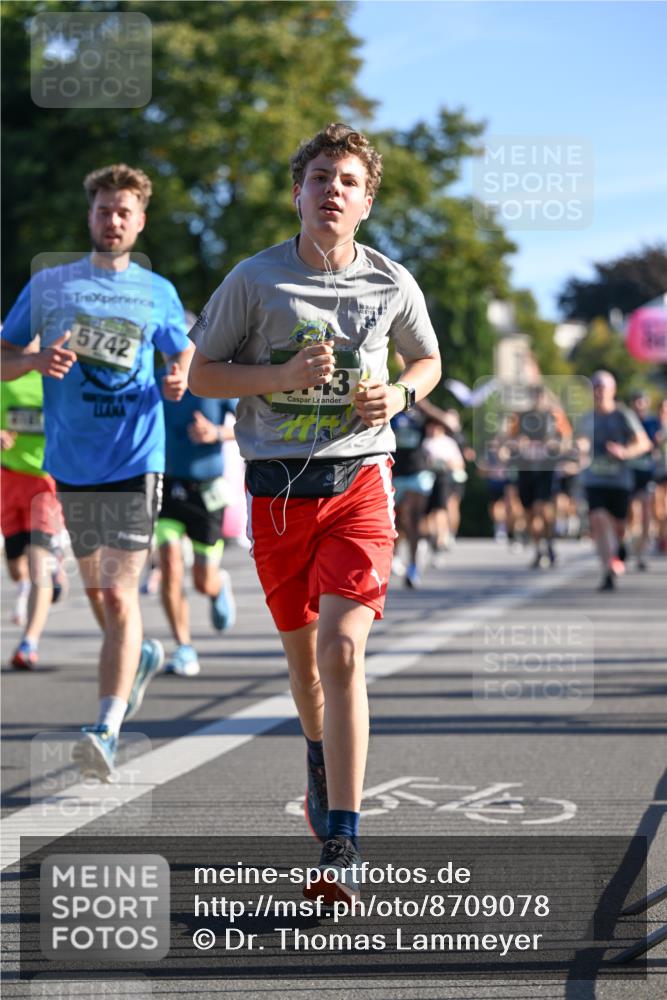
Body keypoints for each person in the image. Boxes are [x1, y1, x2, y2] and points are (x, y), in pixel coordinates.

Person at [188, 123, 441, 902]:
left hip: (359, 481)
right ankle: (316, 750)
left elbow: (426, 362)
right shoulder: (254, 280)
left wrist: (397, 394)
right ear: (298, 192)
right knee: (306, 674)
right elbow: (201, 374)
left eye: (347, 181)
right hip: (275, 495)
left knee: (341, 653)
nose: (332, 189)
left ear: (366, 202)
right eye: (319, 177)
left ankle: (342, 840)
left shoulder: (390, 282)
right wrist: (281, 372)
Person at [1, 164, 192, 779]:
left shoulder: (157, 291)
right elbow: (2, 355)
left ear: (140, 221)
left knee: (117, 590)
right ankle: (138, 656)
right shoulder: (52, 285)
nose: (113, 220)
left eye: (124, 212)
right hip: (72, 462)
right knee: (99, 599)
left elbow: (184, 348)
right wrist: (32, 357)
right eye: (104, 209)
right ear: (90, 216)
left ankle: (105, 728)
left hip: (137, 457)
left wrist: (180, 372)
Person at [157, 345, 238, 676]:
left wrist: (216, 433)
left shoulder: (216, 379)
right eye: (167, 351)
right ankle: (184, 647)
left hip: (206, 490)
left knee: (202, 581)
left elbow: (250, 421)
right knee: (170, 565)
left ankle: (218, 585)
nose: (173, 358)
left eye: (180, 350)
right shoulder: (156, 381)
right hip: (166, 485)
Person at [1, 353, 66, 668]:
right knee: (17, 569)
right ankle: (55, 568)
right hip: (8, 481)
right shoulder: (4, 373)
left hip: (45, 482)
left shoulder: (54, 379)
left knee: (37, 563)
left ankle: (29, 643)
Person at [576, 371, 651, 591]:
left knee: (619, 526)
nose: (599, 392)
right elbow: (581, 439)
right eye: (595, 388)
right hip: (593, 479)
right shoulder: (587, 417)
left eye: (603, 388)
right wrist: (579, 447)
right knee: (598, 521)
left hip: (619, 480)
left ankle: (622, 546)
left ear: (613, 391)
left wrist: (625, 452)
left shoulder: (623, 415)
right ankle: (607, 571)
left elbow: (644, 443)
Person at [626, 390, 660, 569]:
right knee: (633, 512)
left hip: (647, 472)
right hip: (630, 472)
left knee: (646, 510)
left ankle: (642, 551)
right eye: (636, 401)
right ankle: (631, 543)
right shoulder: (627, 421)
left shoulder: (652, 422)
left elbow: (656, 444)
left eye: (642, 401)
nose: (639, 405)